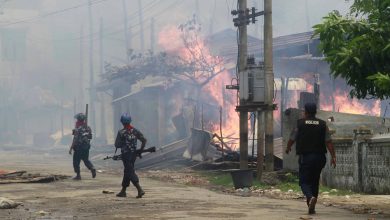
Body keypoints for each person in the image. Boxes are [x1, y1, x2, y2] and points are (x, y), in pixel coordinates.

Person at [286, 102, 336, 215]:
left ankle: (310, 197)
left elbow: (292, 138)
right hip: (320, 158)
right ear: (315, 112)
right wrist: (333, 156)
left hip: (306, 158)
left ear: (306, 112)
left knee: (304, 182)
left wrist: (288, 147)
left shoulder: (300, 123)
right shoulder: (323, 124)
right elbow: (329, 142)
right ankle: (311, 207)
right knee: (314, 182)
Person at [115, 113, 147, 198]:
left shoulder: (121, 132)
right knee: (127, 171)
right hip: (133, 155)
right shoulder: (135, 131)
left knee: (130, 171)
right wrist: (140, 150)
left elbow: (117, 145)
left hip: (126, 155)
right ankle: (123, 191)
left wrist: (123, 143)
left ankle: (140, 189)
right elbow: (144, 140)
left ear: (122, 121)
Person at [69, 113, 96, 180]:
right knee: (86, 160)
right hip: (86, 147)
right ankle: (92, 168)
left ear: (78, 120)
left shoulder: (77, 129)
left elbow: (75, 139)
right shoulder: (88, 128)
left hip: (78, 147)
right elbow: (90, 137)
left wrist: (71, 148)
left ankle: (78, 175)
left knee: (76, 161)